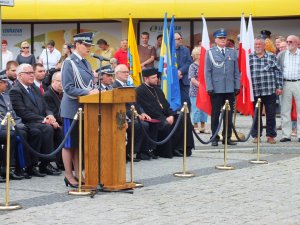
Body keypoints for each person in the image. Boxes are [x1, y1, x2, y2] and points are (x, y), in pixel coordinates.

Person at [61, 32, 99, 187]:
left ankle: (79, 173)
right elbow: (68, 88)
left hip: (85, 109)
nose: (89, 48)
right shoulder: (69, 63)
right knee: (69, 144)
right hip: (71, 109)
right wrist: (88, 92)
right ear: (77, 45)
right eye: (86, 45)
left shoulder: (86, 63)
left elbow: (89, 84)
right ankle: (69, 176)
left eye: (90, 45)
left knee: (78, 144)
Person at [9, 63, 62, 176]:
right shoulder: (15, 91)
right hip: (26, 122)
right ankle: (43, 164)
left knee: (59, 128)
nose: (32, 75)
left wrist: (50, 115)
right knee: (46, 128)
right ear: (20, 75)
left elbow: (45, 106)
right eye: (28, 73)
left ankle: (59, 162)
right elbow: (22, 113)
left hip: (39, 121)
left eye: (32, 72)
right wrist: (44, 119)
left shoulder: (35, 89)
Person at [136, 67, 195, 158]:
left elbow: (166, 106)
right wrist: (165, 118)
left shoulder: (158, 90)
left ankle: (181, 148)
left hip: (164, 116)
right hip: (154, 118)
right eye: (153, 78)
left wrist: (171, 115)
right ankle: (167, 150)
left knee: (183, 117)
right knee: (164, 124)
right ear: (146, 79)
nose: (156, 79)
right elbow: (150, 110)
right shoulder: (140, 91)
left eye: (156, 77)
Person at [0, 73, 45, 179]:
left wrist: (19, 124)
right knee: (15, 134)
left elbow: (13, 114)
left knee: (35, 132)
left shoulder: (5, 96)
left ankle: (30, 166)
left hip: (13, 125)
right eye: (4, 83)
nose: (7, 85)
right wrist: (14, 127)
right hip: (3, 127)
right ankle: (10, 168)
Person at [111, 64, 154, 161]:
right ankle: (129, 152)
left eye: (128, 72)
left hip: (132, 115)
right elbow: (121, 106)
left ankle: (142, 151)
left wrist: (141, 113)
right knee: (140, 125)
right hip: (121, 117)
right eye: (124, 72)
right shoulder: (114, 87)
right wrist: (135, 115)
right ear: (117, 74)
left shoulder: (128, 86)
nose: (127, 74)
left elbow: (136, 102)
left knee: (146, 123)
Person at [205, 28, 240, 146]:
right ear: (215, 40)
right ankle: (214, 137)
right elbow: (207, 71)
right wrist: (209, 87)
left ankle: (227, 137)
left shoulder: (232, 52)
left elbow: (236, 70)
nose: (223, 40)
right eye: (220, 38)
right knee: (215, 114)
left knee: (228, 114)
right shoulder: (210, 52)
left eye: (224, 38)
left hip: (229, 88)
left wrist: (237, 85)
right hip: (216, 88)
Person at [249, 36, 283, 144]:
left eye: (259, 44)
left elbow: (278, 71)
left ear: (264, 46)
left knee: (271, 114)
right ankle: (256, 136)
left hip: (269, 90)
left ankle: (271, 136)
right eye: (256, 44)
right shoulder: (249, 57)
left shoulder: (271, 56)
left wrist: (279, 86)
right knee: (256, 115)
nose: (257, 46)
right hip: (254, 91)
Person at [277, 35, 300, 142]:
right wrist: (278, 85)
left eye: (291, 41)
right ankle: (286, 135)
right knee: (285, 110)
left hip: (298, 82)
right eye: (287, 41)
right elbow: (277, 70)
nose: (288, 43)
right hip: (285, 83)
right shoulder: (281, 55)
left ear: (296, 43)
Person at [188, 46, 210, 134]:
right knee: (196, 109)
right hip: (195, 92)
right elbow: (192, 79)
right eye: (201, 54)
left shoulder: (206, 66)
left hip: (205, 92)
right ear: (196, 55)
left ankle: (203, 126)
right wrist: (201, 86)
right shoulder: (192, 66)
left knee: (204, 110)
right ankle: (195, 126)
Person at [175, 32, 193, 109]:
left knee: (187, 101)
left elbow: (189, 62)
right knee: (174, 103)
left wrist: (180, 71)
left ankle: (186, 119)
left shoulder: (186, 50)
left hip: (184, 80)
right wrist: (175, 73)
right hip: (173, 80)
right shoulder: (167, 51)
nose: (180, 40)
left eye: (181, 38)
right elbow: (166, 65)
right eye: (178, 39)